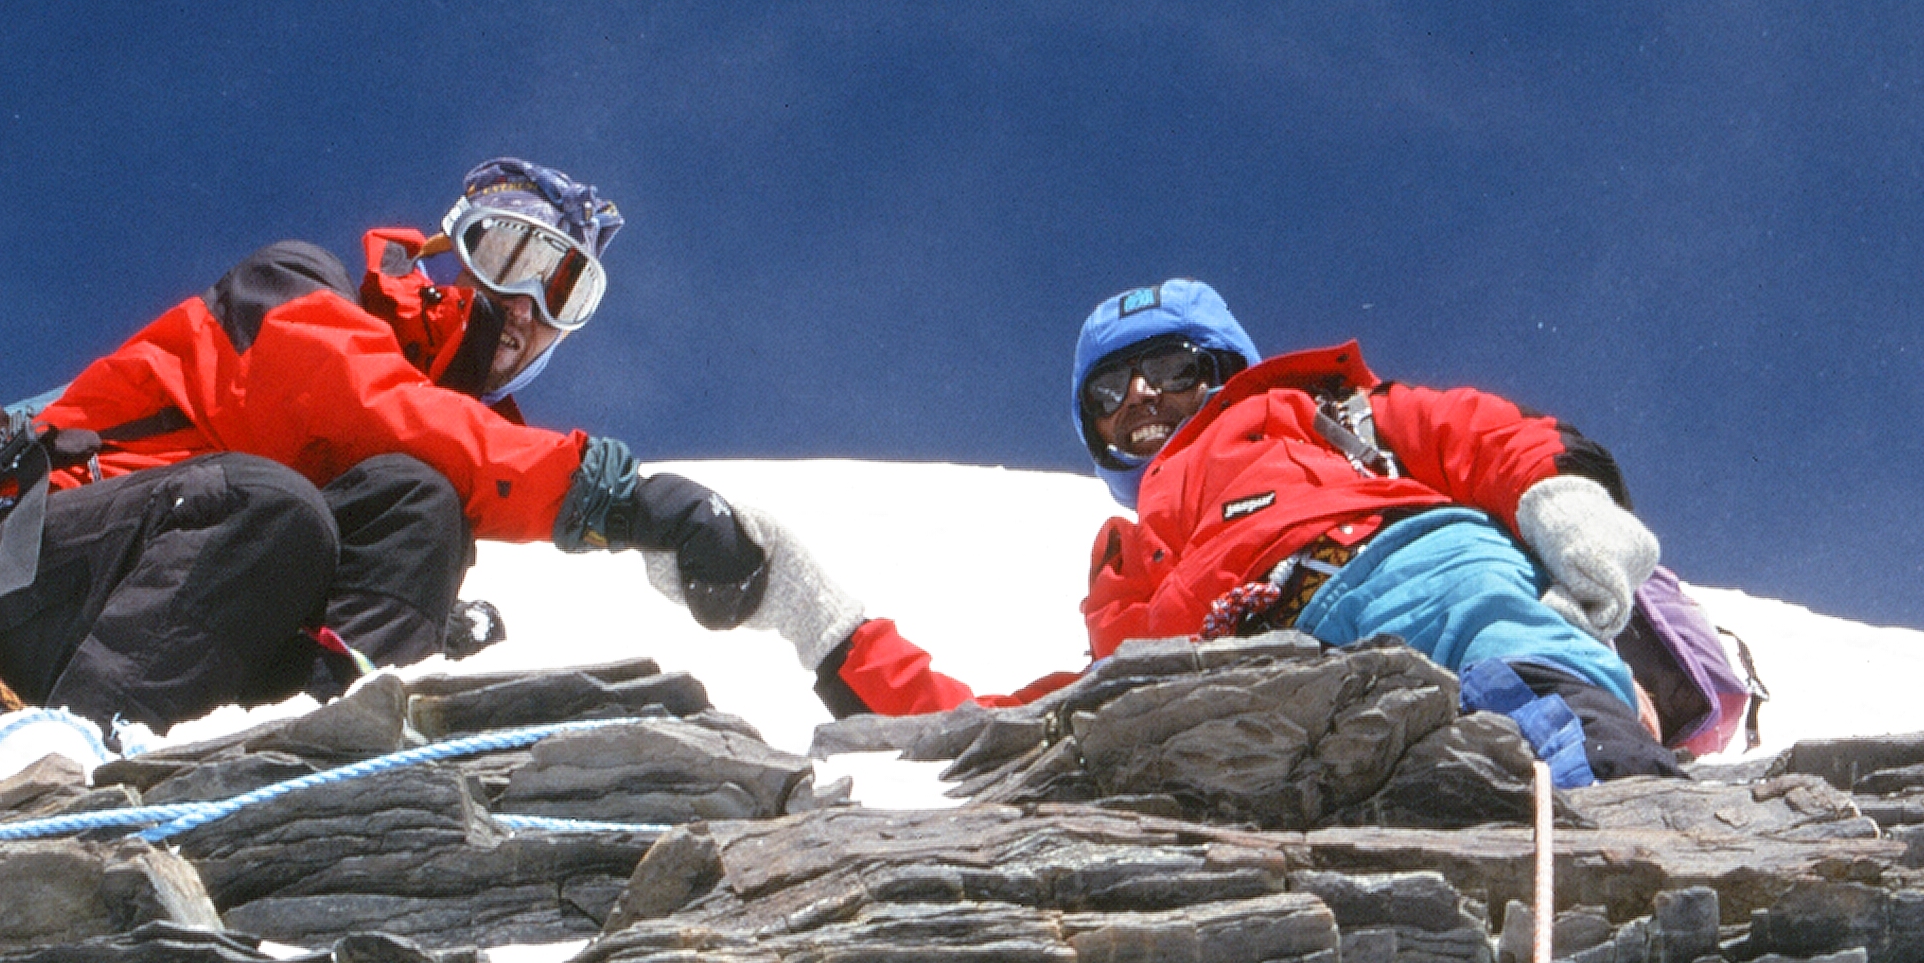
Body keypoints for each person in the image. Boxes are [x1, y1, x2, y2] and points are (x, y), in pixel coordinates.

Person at [0, 158, 767, 784]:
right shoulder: (294, 293)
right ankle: (55, 761)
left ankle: (313, 763)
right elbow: (378, 403)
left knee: (420, 507)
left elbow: (424, 451)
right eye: (512, 258)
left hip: (138, 622)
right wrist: (619, 500)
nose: (526, 308)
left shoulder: (426, 465)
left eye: (563, 291)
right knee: (279, 504)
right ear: (448, 251)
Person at [672, 278, 1681, 783]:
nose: (1141, 397)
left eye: (1171, 367)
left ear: (1224, 367)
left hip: (1395, 563)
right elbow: (1006, 719)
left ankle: (1621, 802)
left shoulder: (1312, 407)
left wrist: (1568, 502)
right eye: (1109, 390)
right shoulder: (1133, 576)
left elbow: (1479, 434)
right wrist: (814, 616)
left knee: (1526, 686)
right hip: (1243, 676)